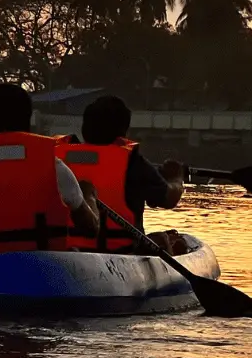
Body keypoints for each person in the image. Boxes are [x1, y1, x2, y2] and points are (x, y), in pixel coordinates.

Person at [0, 83, 99, 261]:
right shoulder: (54, 166)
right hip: (43, 271)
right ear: (28, 121)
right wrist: (88, 194)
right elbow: (90, 229)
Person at [58, 94, 186, 253]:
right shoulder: (133, 162)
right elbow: (168, 199)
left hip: (68, 253)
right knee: (163, 240)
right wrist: (176, 179)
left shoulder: (59, 159)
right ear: (123, 132)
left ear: (85, 129)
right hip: (122, 253)